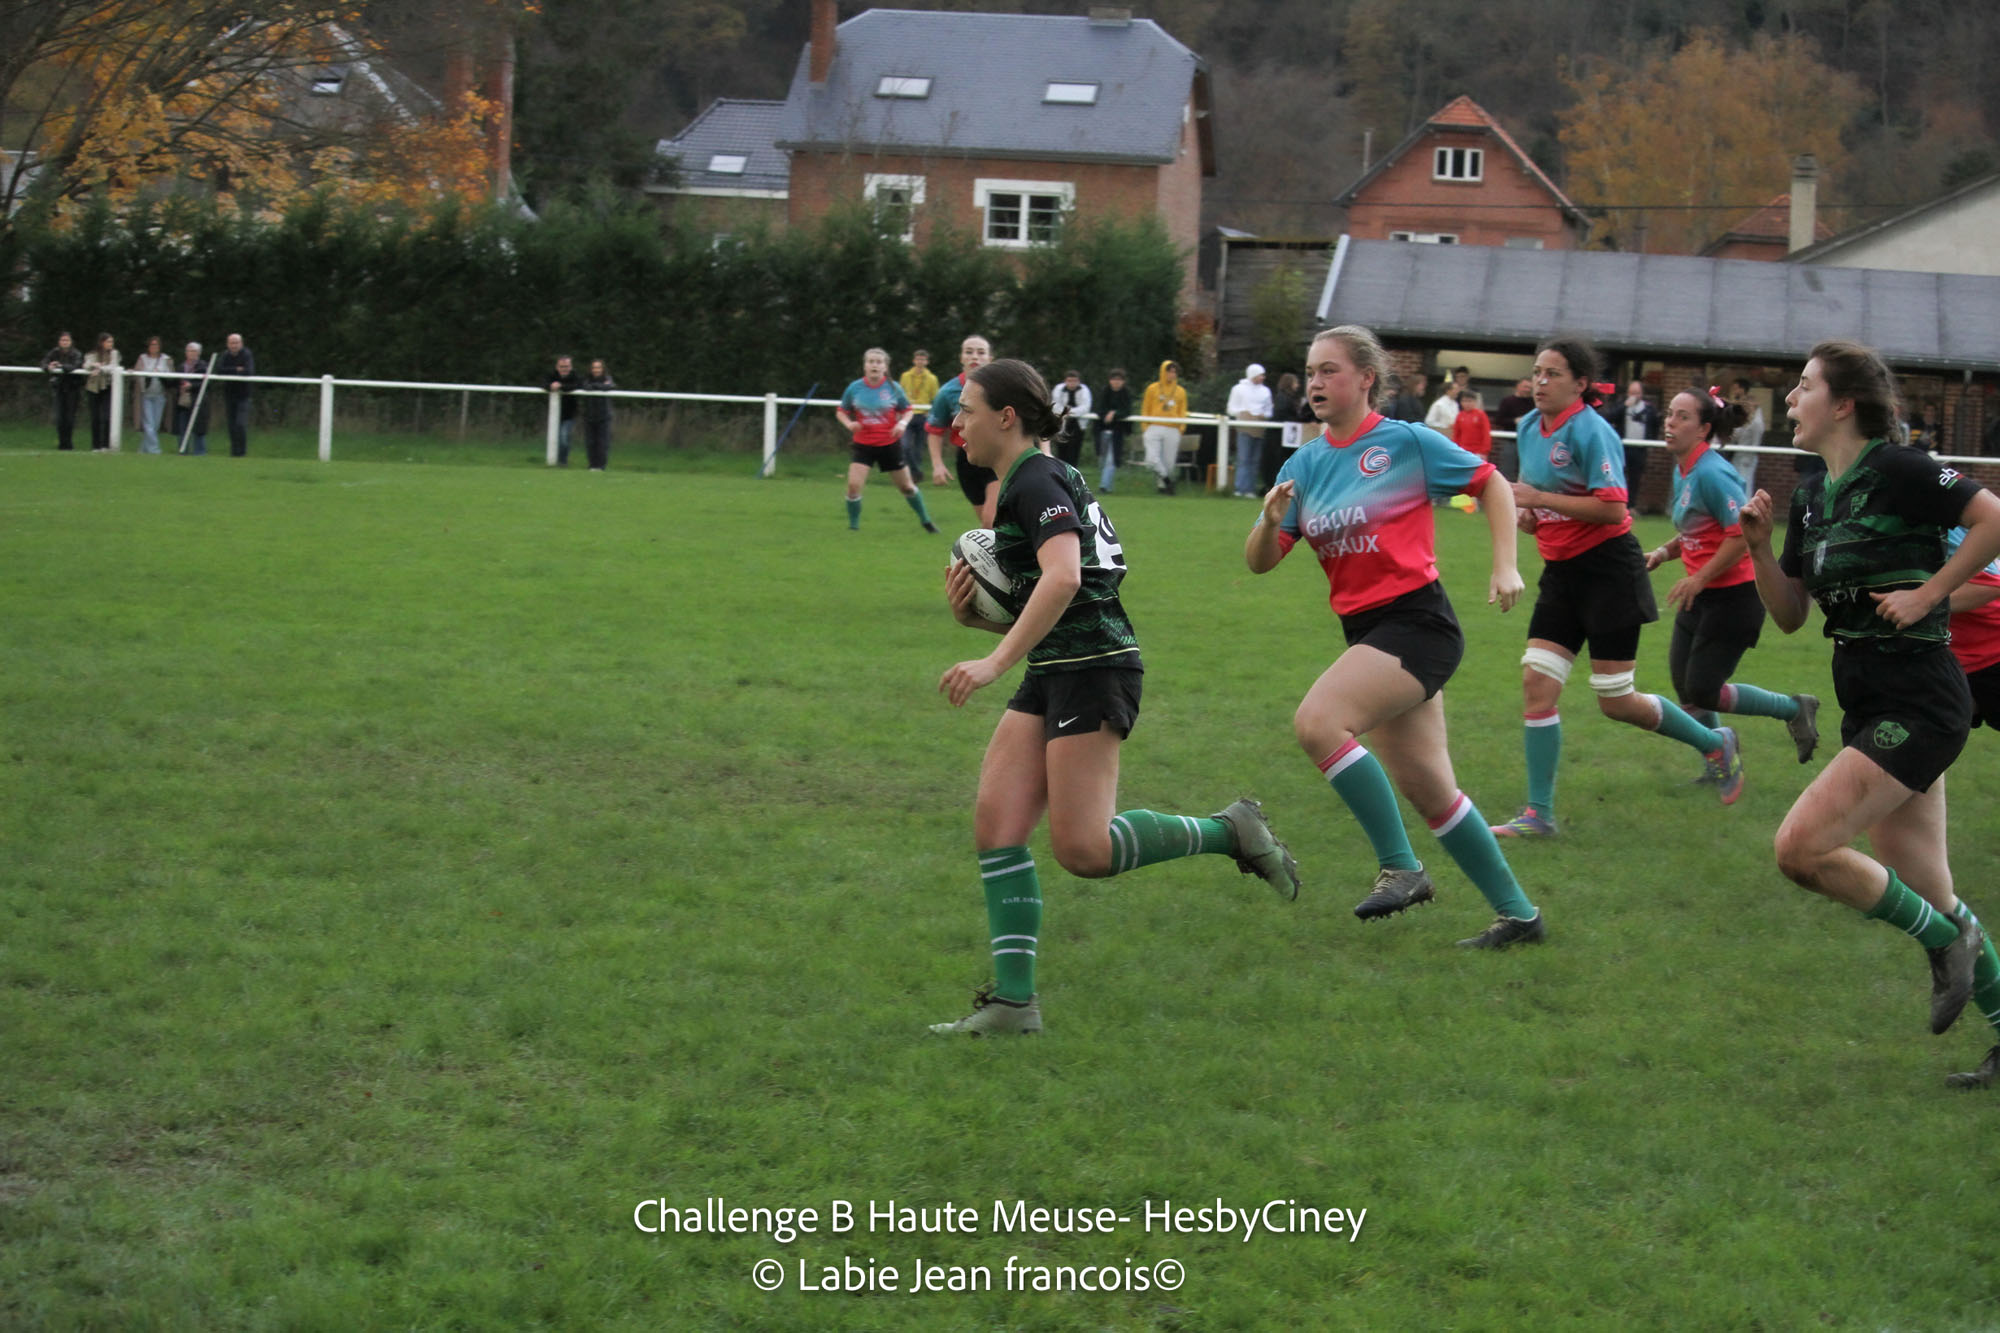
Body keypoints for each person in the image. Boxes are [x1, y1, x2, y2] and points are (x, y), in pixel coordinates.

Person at [929, 358, 1300, 1036]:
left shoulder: (1035, 478)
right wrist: (978, 623)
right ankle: (1013, 1004)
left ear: (1005, 417)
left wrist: (993, 662)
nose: (957, 422)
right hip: (1058, 665)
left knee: (1085, 850)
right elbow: (1070, 596)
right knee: (997, 826)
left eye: (968, 410)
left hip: (1095, 670)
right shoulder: (1029, 478)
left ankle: (1231, 830)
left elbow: (1066, 577)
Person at [1737, 339, 2000, 1090]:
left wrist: (1928, 594)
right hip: (1868, 700)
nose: (1791, 399)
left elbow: (1993, 519)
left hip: (1921, 698)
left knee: (1800, 848)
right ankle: (1964, 957)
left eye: (1804, 386)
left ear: (1845, 403)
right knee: (1932, 891)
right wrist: (1759, 551)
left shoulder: (1902, 469)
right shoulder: (1811, 495)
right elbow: (1791, 614)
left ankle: (1945, 944)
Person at [1245, 325, 1542, 948]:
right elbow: (1261, 562)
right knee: (1433, 792)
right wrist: (1269, 523)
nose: (1316, 382)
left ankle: (1402, 868)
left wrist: (1505, 565)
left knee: (1318, 723)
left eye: (1329, 370)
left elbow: (1490, 481)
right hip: (1367, 631)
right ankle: (1521, 918)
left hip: (1418, 623)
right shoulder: (1304, 464)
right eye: (1311, 371)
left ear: (1366, 379)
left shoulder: (1405, 442)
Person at [1493, 335, 1744, 838]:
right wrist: (1532, 516)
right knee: (1537, 684)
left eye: (1553, 374)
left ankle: (1715, 743)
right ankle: (1539, 816)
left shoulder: (1592, 430)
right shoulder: (1527, 426)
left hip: (1609, 571)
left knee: (1616, 700)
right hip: (1561, 574)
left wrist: (1541, 499)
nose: (1540, 381)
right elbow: (1540, 498)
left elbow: (1612, 508)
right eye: (1537, 371)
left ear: (1580, 384)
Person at [1642, 387, 1820, 779]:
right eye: (1669, 413)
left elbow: (1740, 535)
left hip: (1734, 598)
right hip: (1702, 594)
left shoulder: (1712, 472)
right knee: (1687, 687)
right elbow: (1698, 531)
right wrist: (1663, 552)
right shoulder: (1685, 468)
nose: (1670, 422)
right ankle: (1719, 763)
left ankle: (1794, 709)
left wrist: (1699, 578)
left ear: (1703, 429)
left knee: (1703, 689)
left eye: (1682, 416)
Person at [837, 347, 936, 533]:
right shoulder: (855, 388)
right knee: (853, 487)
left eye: (879, 362)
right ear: (865, 366)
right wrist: (850, 424)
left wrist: (902, 424)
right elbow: (841, 411)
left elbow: (907, 410)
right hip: (863, 445)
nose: (874, 365)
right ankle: (853, 528)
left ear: (885, 367)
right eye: (871, 362)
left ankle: (927, 522)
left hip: (889, 444)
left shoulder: (893, 388)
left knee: (907, 487)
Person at [926, 334, 997, 524]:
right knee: (988, 525)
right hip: (968, 460)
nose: (975, 356)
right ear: (961, 357)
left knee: (991, 519)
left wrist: (1044, 450)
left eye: (981, 352)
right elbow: (935, 430)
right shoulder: (947, 392)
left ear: (990, 358)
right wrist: (937, 464)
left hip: (998, 456)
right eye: (969, 352)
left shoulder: (1003, 388)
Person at [1139, 360, 1189, 495]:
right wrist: (1145, 426)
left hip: (1173, 428)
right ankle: (1167, 480)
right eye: (1169, 371)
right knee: (1151, 459)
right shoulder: (1152, 388)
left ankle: (1163, 487)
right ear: (1163, 372)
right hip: (1154, 426)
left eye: (1174, 372)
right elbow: (1145, 408)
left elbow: (1182, 411)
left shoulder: (1180, 391)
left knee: (1169, 462)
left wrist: (1181, 428)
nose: (1172, 374)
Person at [1608, 378, 1658, 513]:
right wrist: (1625, 406)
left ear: (1641, 394)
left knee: (1635, 477)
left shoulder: (1648, 409)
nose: (1634, 396)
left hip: (1640, 448)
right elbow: (1609, 417)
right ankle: (1619, 503)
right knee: (1619, 476)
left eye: (1636, 393)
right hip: (1622, 447)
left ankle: (1631, 506)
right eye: (1631, 393)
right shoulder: (1621, 406)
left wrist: (1651, 442)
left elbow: (1655, 425)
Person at [1226, 363, 1272, 498]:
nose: (1263, 378)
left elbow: (1269, 410)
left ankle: (1250, 489)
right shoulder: (1238, 389)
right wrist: (1244, 413)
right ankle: (1240, 488)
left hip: (1259, 427)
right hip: (1244, 427)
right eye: (1260, 375)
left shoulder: (1265, 391)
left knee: (1255, 459)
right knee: (1244, 458)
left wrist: (1262, 415)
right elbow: (1231, 409)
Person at [898, 348, 939, 476]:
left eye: (923, 359)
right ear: (914, 360)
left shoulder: (932, 378)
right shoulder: (905, 376)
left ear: (927, 362)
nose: (920, 362)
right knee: (905, 445)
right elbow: (900, 395)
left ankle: (914, 474)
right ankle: (912, 470)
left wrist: (931, 414)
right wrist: (899, 412)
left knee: (918, 448)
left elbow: (936, 398)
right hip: (908, 415)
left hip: (923, 415)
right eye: (918, 359)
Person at [215, 333, 254, 456]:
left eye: (236, 343)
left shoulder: (246, 354)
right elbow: (219, 370)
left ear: (241, 343)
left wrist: (230, 370)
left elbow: (248, 371)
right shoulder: (225, 355)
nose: (234, 345)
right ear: (228, 344)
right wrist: (236, 369)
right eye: (232, 343)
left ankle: (242, 452)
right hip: (229, 394)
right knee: (231, 425)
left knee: (240, 424)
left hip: (244, 395)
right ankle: (234, 452)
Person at [43, 332, 83, 451]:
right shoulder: (54, 352)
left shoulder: (76, 353)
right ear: (59, 342)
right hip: (59, 388)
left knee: (69, 418)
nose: (65, 342)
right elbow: (44, 362)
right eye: (62, 340)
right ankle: (61, 443)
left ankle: (68, 443)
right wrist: (49, 366)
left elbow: (75, 365)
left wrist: (61, 366)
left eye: (67, 340)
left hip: (72, 388)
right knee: (60, 418)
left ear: (71, 342)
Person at [1095, 368, 1132, 494]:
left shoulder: (1126, 394)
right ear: (1109, 380)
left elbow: (1127, 411)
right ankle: (1108, 486)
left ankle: (1104, 486)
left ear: (1123, 381)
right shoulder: (1104, 392)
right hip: (1102, 430)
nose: (1116, 382)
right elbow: (1099, 410)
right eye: (1114, 379)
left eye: (1119, 380)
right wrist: (1106, 415)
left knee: (1111, 459)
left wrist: (1114, 414)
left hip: (1118, 431)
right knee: (1102, 459)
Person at [82, 333, 120, 452]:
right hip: (93, 388)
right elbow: (86, 365)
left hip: (107, 387)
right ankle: (96, 445)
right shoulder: (92, 354)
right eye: (108, 342)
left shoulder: (114, 353)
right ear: (102, 342)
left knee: (107, 416)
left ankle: (105, 445)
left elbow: (113, 366)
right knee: (95, 417)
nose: (111, 344)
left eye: (111, 342)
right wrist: (94, 365)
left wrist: (100, 368)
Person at [133, 336, 171, 455]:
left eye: (156, 345)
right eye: (152, 345)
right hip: (146, 395)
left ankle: (143, 449)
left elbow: (171, 375)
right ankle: (155, 450)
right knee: (149, 424)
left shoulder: (165, 359)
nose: (154, 347)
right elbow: (136, 373)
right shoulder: (142, 358)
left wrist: (160, 373)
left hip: (160, 395)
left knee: (155, 425)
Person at [1728, 377, 1767, 490]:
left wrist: (1751, 455)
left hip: (1747, 456)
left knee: (1745, 483)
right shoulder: (1740, 412)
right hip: (1738, 454)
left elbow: (1757, 436)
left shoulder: (1756, 421)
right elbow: (1736, 434)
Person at [1269, 371, 1304, 492]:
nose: (1297, 385)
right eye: (1295, 383)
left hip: (1287, 435)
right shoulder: (1283, 398)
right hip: (1281, 435)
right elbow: (1283, 414)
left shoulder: (1287, 397)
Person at [173, 342, 210, 455]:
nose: (191, 353)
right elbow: (174, 382)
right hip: (183, 401)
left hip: (197, 400)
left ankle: (199, 452)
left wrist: (191, 385)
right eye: (189, 351)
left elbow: (206, 383)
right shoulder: (181, 367)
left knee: (198, 428)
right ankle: (183, 452)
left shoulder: (203, 366)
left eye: (194, 351)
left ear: (199, 353)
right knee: (182, 427)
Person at [1050, 369, 1092, 467]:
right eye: (1069, 381)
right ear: (1065, 381)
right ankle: (1061, 473)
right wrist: (1064, 412)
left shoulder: (1084, 390)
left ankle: (1072, 474)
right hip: (1061, 424)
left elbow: (1085, 407)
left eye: (1074, 381)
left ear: (1078, 381)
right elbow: (1055, 405)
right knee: (1061, 451)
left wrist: (1070, 412)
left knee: (1074, 452)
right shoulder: (1059, 389)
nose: (1072, 383)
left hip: (1077, 425)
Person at [580, 358, 614, 471]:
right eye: (594, 368)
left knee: (603, 443)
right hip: (589, 416)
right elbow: (585, 386)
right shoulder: (586, 379)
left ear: (602, 369)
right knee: (590, 442)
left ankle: (601, 466)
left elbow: (610, 386)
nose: (596, 370)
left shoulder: (608, 378)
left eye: (598, 367)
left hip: (604, 416)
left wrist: (595, 386)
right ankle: (592, 465)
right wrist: (600, 386)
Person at [547, 355, 581, 465]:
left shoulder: (575, 376)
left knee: (564, 437)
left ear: (570, 367)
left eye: (566, 366)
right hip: (554, 414)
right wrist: (551, 385)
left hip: (569, 414)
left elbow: (576, 385)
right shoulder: (552, 375)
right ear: (557, 367)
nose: (564, 369)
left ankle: (562, 461)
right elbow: (543, 384)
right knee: (554, 439)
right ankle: (554, 460)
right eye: (561, 366)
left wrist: (560, 386)